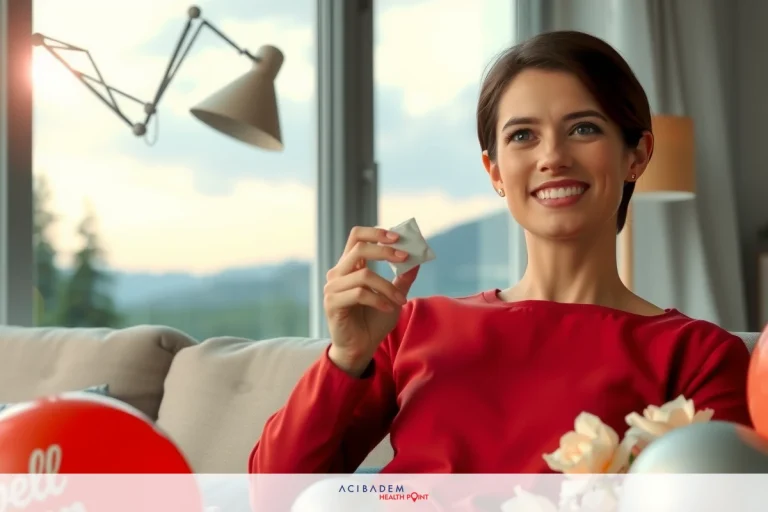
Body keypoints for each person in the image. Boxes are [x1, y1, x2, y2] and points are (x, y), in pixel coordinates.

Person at [248, 30, 751, 475]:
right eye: (523, 136)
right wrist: (346, 358)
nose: (552, 156)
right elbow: (273, 492)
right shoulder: (410, 328)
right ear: (495, 172)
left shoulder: (700, 356)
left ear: (637, 155)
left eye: (583, 128)